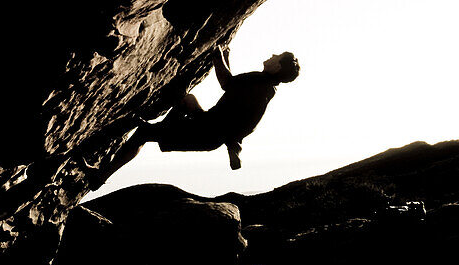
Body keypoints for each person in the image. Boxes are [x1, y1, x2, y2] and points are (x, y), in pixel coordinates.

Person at [87, 46, 300, 188]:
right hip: (209, 126)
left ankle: (100, 176)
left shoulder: (259, 84)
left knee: (144, 132)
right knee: (186, 100)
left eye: (277, 57)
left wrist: (217, 56)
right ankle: (161, 128)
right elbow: (236, 95)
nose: (272, 56)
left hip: (206, 131)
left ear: (278, 66)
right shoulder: (265, 88)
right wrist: (224, 58)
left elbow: (227, 83)